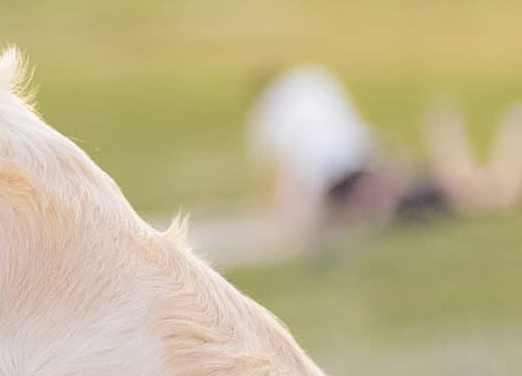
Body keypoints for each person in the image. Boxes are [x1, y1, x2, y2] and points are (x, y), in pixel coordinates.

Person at [181, 64, 520, 268]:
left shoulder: (266, 116)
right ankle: (472, 142)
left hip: (350, 183)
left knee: (471, 196)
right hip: (366, 163)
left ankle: (469, 137)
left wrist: (269, 217)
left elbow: (283, 175)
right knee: (462, 190)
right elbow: (352, 133)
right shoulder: (312, 78)